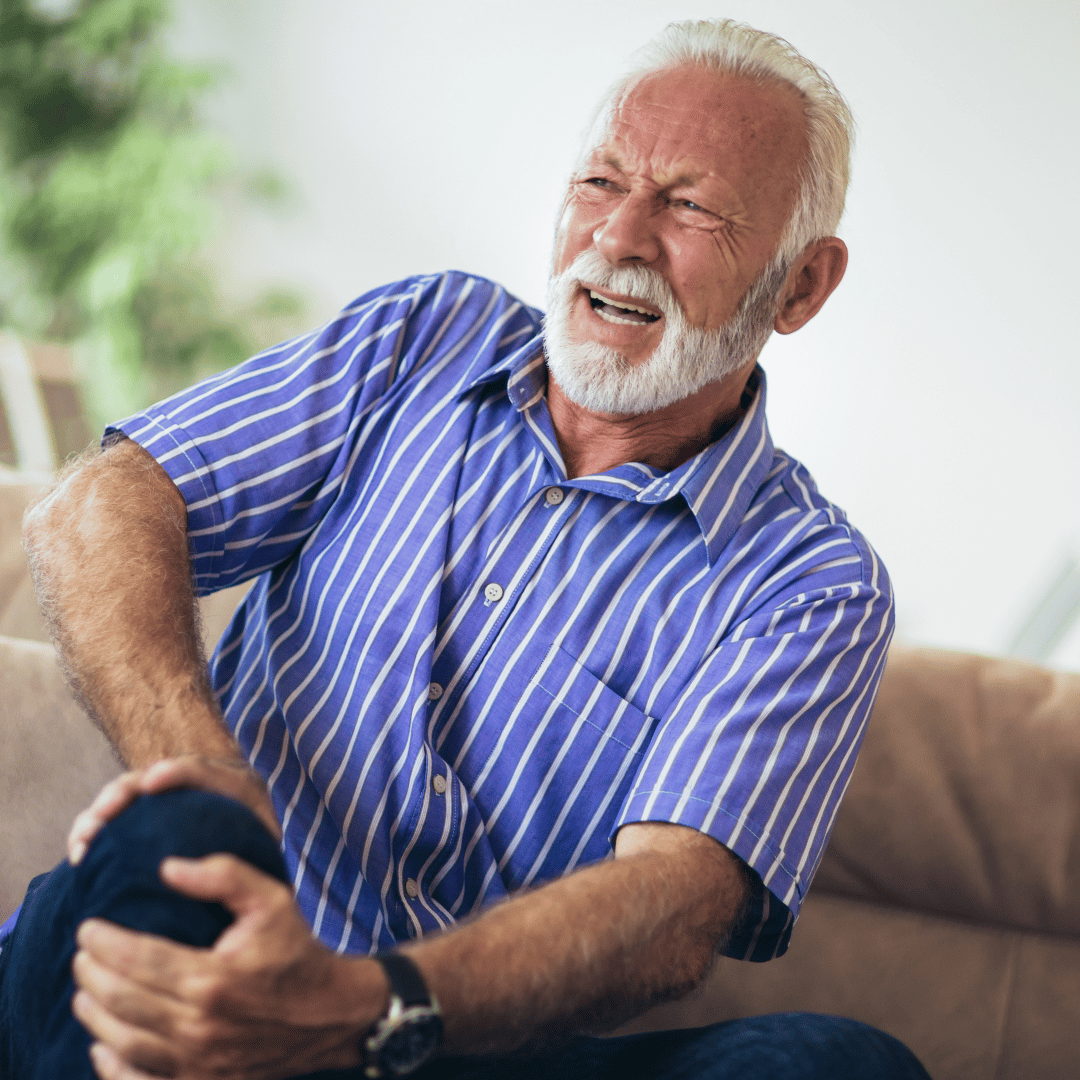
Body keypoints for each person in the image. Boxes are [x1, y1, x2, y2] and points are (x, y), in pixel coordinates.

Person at [2, 17, 927, 1080]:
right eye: (600, 181)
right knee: (174, 845)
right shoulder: (423, 338)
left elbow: (673, 907)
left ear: (801, 286)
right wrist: (200, 767)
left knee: (835, 1063)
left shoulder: (811, 585)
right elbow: (100, 505)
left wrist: (361, 1007)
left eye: (689, 206)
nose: (618, 237)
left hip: (428, 1045)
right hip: (178, 936)